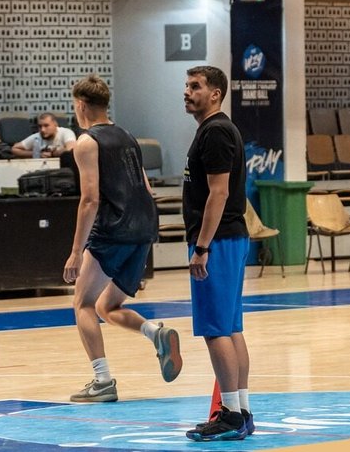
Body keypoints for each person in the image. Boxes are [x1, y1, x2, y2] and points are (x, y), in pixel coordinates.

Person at [63, 75, 179, 403]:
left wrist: (76, 251)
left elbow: (90, 200)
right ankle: (155, 333)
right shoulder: (128, 136)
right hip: (144, 229)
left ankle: (102, 381)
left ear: (81, 105)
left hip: (114, 229)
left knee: (83, 303)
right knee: (107, 306)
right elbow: (146, 187)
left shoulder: (86, 142)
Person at [180, 66, 252, 441]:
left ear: (215, 94)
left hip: (218, 242)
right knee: (231, 328)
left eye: (195, 86)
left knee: (216, 330)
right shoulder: (216, 130)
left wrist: (202, 247)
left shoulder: (216, 132)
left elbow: (218, 193)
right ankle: (241, 410)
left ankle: (231, 415)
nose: (187, 92)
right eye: (186, 86)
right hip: (228, 239)